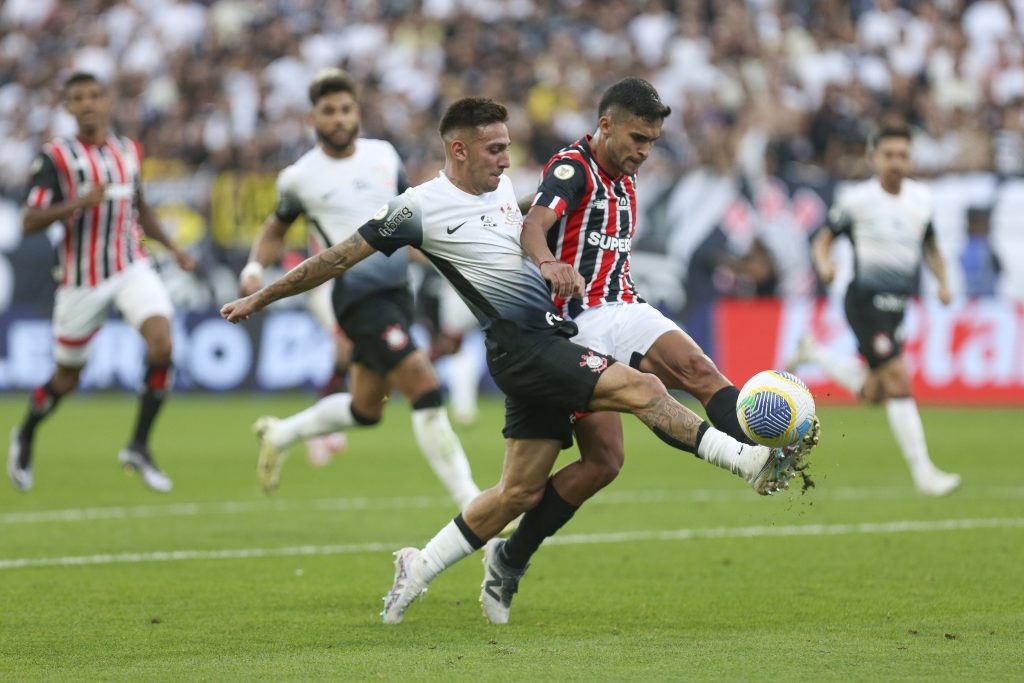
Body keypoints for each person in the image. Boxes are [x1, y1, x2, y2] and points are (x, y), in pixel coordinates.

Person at [220, 97, 819, 625]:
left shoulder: (502, 186)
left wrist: (554, 262)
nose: (507, 160)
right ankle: (749, 461)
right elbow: (335, 258)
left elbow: (536, 226)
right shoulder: (417, 208)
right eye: (495, 149)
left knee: (515, 494)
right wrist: (261, 295)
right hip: (525, 345)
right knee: (642, 387)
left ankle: (419, 564)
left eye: (507, 148)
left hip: (544, 342)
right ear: (459, 150)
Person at [479, 77, 784, 624]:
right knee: (602, 463)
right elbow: (536, 225)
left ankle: (765, 452)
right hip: (576, 327)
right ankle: (510, 557)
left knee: (697, 367)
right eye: (637, 138)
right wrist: (548, 263)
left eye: (652, 141)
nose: (644, 151)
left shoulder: (625, 177)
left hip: (623, 305)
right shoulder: (573, 168)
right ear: (606, 126)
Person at [237, 69, 481, 509]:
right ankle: (471, 500)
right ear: (312, 118)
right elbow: (275, 228)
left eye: (345, 109)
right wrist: (255, 266)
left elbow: (414, 215)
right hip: (353, 293)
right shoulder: (299, 176)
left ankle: (282, 433)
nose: (339, 119)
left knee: (366, 408)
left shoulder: (384, 156)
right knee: (424, 385)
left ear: (357, 113)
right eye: (328, 111)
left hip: (396, 291)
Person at [8, 71, 196, 493]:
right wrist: (78, 202)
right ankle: (26, 432)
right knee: (65, 380)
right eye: (79, 98)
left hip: (131, 265)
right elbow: (30, 219)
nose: (88, 103)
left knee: (163, 342)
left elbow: (140, 206)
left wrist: (173, 248)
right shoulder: (55, 158)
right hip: (81, 281)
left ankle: (139, 446)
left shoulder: (127, 150)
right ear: (69, 108)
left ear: (108, 101)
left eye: (95, 95)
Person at [790, 124, 959, 497]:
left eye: (902, 155)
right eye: (889, 155)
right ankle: (924, 474)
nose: (896, 162)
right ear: (874, 158)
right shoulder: (857, 200)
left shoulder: (921, 200)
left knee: (875, 392)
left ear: (910, 158)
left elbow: (932, 248)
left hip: (899, 306)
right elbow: (824, 240)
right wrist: (825, 265)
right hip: (864, 300)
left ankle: (814, 351)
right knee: (899, 379)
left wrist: (944, 281)